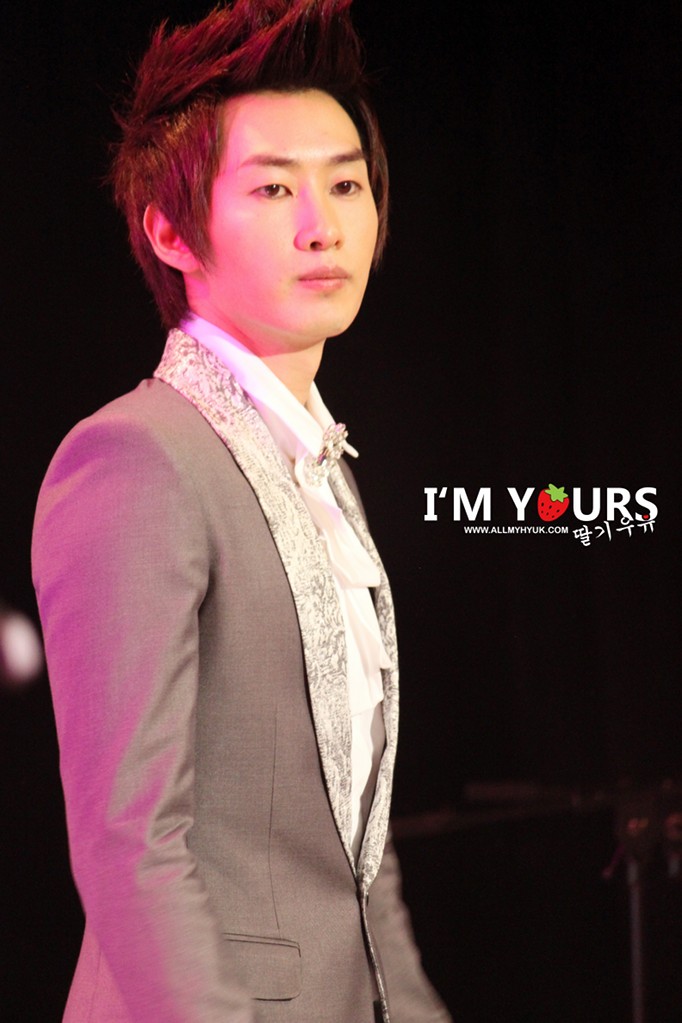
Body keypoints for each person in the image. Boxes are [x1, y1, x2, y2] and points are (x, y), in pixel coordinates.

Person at [32, 2, 452, 1021]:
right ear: (170, 231)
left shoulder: (323, 467)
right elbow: (130, 846)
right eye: (272, 187)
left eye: (344, 183)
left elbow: (359, 855)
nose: (323, 224)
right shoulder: (137, 456)